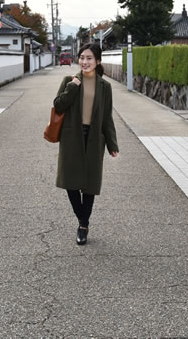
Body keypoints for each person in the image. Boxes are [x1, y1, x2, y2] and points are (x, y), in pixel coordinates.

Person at [52, 42, 119, 245]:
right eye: (82, 57)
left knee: (90, 183)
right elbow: (58, 105)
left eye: (89, 58)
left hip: (94, 138)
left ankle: (83, 226)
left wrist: (112, 144)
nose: (84, 61)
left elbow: (107, 117)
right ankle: (82, 217)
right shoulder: (69, 80)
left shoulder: (105, 87)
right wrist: (72, 87)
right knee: (70, 181)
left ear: (97, 61)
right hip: (72, 136)